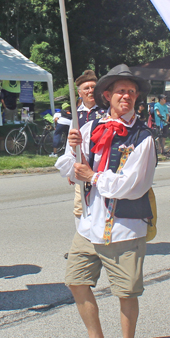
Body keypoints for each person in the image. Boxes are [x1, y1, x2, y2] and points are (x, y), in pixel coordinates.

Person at [55, 65, 156, 338]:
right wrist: (72, 150)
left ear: (136, 97)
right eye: (119, 91)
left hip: (124, 227)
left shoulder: (143, 137)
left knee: (125, 292)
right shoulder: (88, 129)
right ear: (107, 95)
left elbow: (133, 185)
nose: (125, 96)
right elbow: (71, 168)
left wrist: (93, 177)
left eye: (131, 91)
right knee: (75, 280)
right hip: (88, 223)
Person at [71, 70, 105, 224]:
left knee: (101, 207)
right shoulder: (76, 115)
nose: (90, 91)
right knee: (80, 207)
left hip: (102, 169)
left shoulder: (107, 112)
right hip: (82, 169)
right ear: (79, 93)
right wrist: (71, 169)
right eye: (86, 88)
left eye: (93, 87)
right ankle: (83, 242)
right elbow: (70, 144)